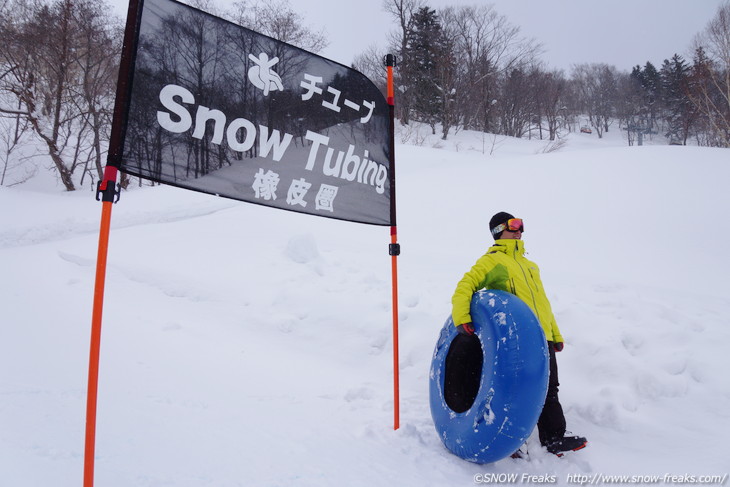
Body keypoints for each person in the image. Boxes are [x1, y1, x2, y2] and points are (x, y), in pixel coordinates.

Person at [450, 211, 587, 456]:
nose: (519, 229)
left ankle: (554, 438)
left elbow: (542, 303)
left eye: (521, 225)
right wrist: (462, 318)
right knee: (514, 390)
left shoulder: (529, 265)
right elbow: (465, 286)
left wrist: (554, 334)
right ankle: (509, 442)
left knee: (549, 386)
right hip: (516, 338)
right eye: (514, 225)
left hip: (540, 336)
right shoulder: (492, 261)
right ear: (498, 231)